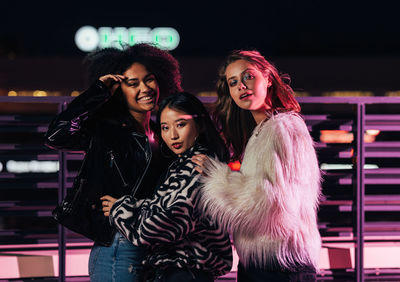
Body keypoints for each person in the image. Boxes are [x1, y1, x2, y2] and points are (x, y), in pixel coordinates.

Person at [45, 43, 182, 281]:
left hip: (153, 249)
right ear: (119, 90)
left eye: (149, 79)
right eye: (133, 83)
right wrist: (98, 90)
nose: (145, 88)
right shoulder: (107, 131)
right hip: (119, 248)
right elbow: (56, 136)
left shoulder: (161, 134)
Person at [191, 49, 322, 281]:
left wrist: (216, 176)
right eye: (233, 82)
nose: (241, 85)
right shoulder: (264, 130)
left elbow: (267, 203)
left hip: (279, 266)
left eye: (248, 76)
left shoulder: (281, 128)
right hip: (265, 262)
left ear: (268, 78)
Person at [102, 92, 233, 282]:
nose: (172, 135)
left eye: (181, 124)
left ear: (200, 124)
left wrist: (119, 209)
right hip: (181, 272)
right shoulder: (182, 165)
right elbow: (165, 209)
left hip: (185, 273)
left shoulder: (197, 168)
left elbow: (155, 228)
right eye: (165, 127)